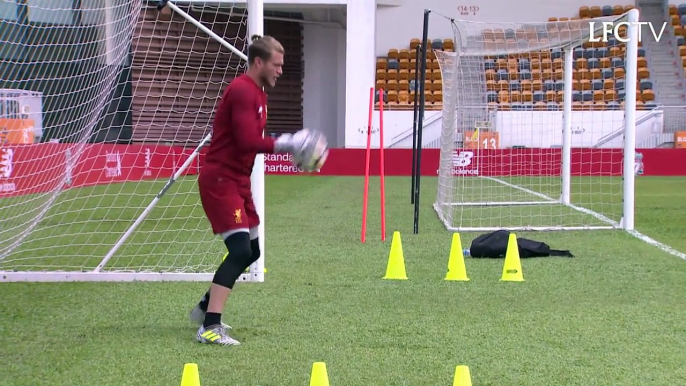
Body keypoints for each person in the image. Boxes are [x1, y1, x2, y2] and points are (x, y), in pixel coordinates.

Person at [188, 35, 312, 346]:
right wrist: (287, 143)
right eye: (277, 64)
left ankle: (207, 306)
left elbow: (247, 142)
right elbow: (245, 141)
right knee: (241, 251)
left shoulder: (257, 93)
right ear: (259, 62)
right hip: (221, 180)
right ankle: (210, 327)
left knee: (253, 251)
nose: (281, 70)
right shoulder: (243, 90)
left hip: (239, 180)